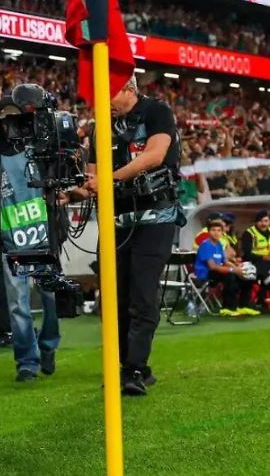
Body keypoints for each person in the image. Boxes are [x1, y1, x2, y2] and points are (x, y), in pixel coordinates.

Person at [83, 77, 182, 396]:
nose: (104, 101)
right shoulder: (100, 126)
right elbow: (92, 173)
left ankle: (135, 368)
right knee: (115, 297)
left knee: (141, 293)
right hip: (116, 219)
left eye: (108, 93)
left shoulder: (157, 112)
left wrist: (108, 180)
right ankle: (127, 366)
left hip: (156, 216)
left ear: (128, 89)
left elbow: (154, 155)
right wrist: (80, 186)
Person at [0, 97, 61, 383]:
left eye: (15, 118)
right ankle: (27, 362)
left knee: (51, 298)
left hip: (44, 238)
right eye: (5, 119)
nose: (10, 124)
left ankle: (48, 345)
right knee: (18, 305)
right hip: (12, 242)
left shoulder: (39, 147)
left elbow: (57, 182)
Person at [194, 220, 257, 317]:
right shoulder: (205, 245)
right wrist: (234, 270)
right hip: (206, 273)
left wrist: (238, 269)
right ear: (209, 232)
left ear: (222, 232)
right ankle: (228, 308)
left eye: (219, 230)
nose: (216, 233)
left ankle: (244, 305)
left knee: (247, 275)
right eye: (213, 230)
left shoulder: (219, 244)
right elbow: (212, 267)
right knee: (230, 276)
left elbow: (225, 261)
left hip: (218, 271)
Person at [239, 210, 270, 309]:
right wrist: (263, 257)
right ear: (256, 222)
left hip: (267, 262)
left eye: (266, 221)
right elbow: (247, 253)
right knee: (266, 272)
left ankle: (262, 301)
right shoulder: (249, 233)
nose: (263, 224)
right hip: (253, 262)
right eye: (260, 221)